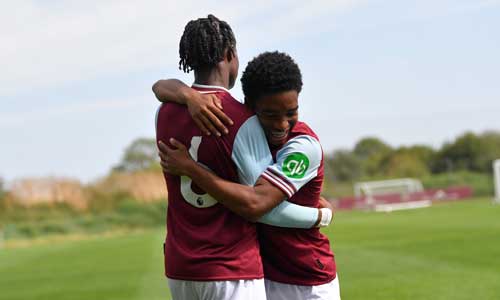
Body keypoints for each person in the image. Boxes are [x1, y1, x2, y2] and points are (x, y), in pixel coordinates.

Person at [155, 15, 332, 300]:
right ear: (230, 55)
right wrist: (320, 215)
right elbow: (259, 204)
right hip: (231, 266)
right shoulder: (240, 118)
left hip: (181, 265)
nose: (281, 123)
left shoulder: (164, 112)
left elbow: (160, 87)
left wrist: (186, 95)